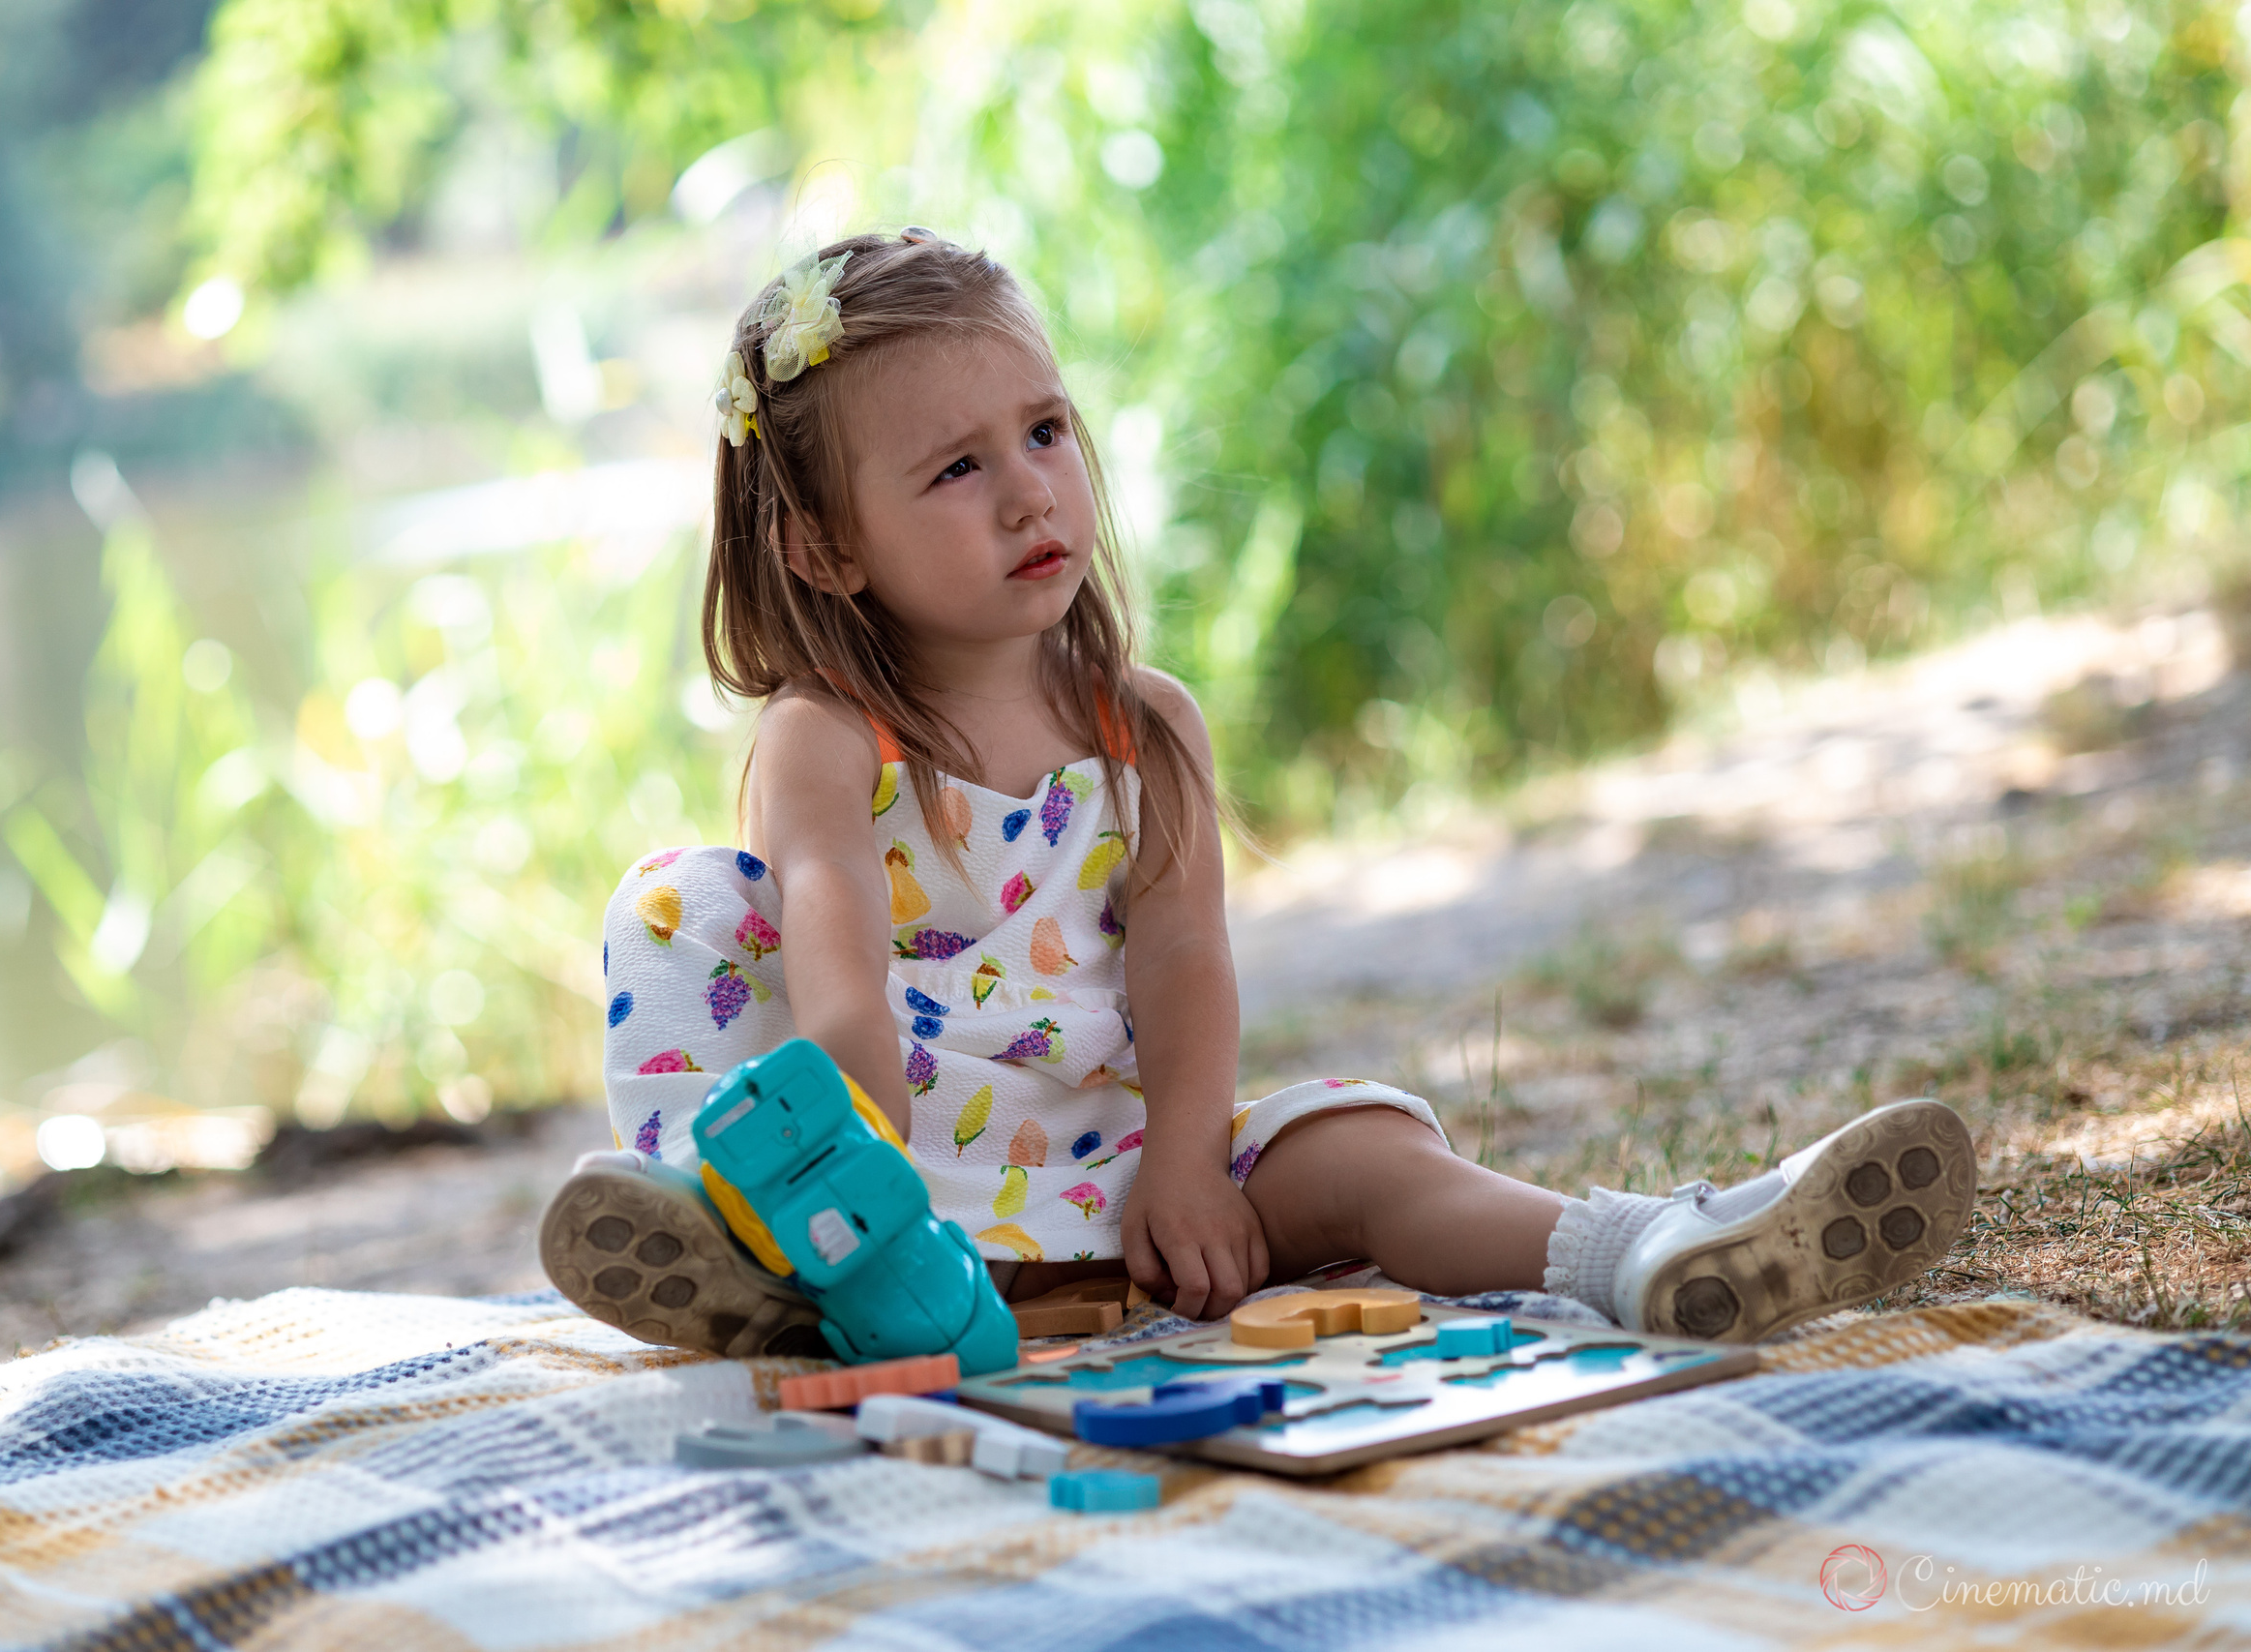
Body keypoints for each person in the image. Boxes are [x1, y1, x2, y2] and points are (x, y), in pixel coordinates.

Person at [538, 228, 1974, 1358]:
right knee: (679, 904)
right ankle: (758, 1253)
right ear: (824, 549)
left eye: (1045, 432)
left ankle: (1657, 1254)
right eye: (958, 469)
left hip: (1125, 1173)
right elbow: (835, 948)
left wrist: (1185, 1164)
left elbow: (1181, 961)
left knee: (1361, 1144)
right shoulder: (830, 735)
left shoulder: (1143, 725)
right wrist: (863, 1142)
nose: (1032, 495)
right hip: (894, 1185)